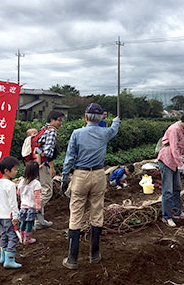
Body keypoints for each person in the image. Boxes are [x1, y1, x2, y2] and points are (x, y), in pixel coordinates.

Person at [60, 103, 120, 270]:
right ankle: (94, 254)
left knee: (76, 214)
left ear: (85, 117)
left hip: (80, 175)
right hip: (99, 175)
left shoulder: (77, 133)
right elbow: (114, 128)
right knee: (97, 212)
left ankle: (72, 259)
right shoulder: (105, 133)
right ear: (101, 117)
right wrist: (116, 120)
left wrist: (65, 177)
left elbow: (70, 157)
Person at [157, 111, 184, 227]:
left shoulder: (182, 130)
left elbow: (182, 148)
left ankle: (177, 212)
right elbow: (174, 148)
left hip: (173, 161)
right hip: (167, 161)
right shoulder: (174, 129)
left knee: (177, 188)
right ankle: (166, 217)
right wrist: (180, 165)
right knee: (168, 190)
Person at [34, 110, 65, 229]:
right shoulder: (51, 131)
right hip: (43, 165)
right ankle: (30, 213)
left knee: (39, 191)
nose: (60, 123)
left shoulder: (43, 129)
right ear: (52, 120)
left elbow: (38, 148)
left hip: (35, 164)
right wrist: (51, 167)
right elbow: (48, 152)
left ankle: (39, 221)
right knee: (47, 192)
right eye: (59, 120)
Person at [0, 156, 22, 269]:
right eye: (15, 169)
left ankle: (3, 256)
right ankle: (10, 259)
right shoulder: (10, 185)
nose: (16, 172)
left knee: (4, 236)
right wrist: (16, 215)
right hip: (9, 216)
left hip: (0, 215)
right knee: (13, 237)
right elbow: (13, 203)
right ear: (6, 170)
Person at [17, 160, 42, 245]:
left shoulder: (22, 181)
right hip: (31, 206)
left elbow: (18, 192)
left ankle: (21, 236)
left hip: (23, 206)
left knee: (23, 221)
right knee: (30, 223)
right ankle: (27, 239)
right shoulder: (36, 183)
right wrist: (38, 206)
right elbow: (37, 196)